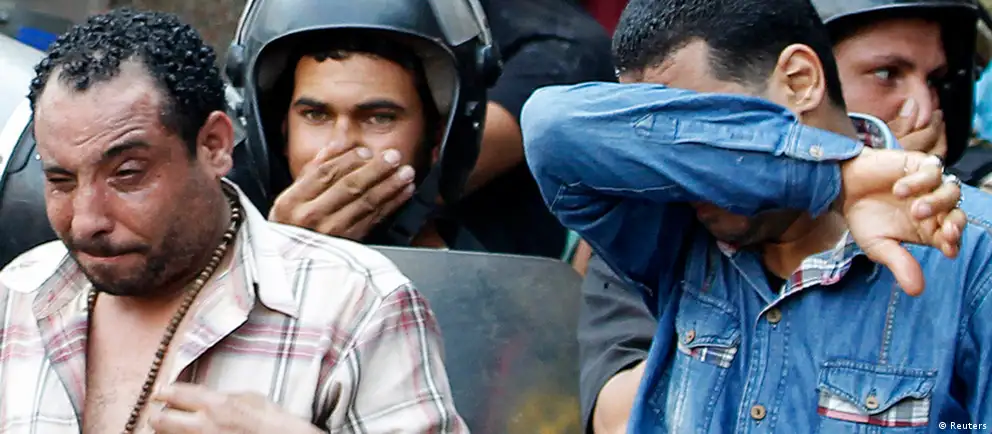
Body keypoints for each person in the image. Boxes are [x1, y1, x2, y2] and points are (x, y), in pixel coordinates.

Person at [522, 0, 992, 432]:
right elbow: (551, 126)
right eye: (665, 146)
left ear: (800, 81)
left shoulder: (973, 249)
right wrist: (830, 177)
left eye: (707, 131)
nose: (684, 172)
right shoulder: (674, 228)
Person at [0, 9, 465, 434]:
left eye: (127, 174)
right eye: (60, 181)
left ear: (214, 145)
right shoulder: (19, 293)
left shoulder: (361, 306)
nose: (86, 222)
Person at [225, 0, 614, 258]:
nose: (341, 145)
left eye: (380, 118)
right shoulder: (224, 259)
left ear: (438, 137)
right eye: (315, 115)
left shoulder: (493, 293)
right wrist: (278, 260)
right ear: (279, 132)